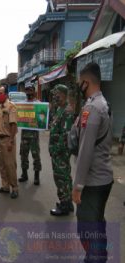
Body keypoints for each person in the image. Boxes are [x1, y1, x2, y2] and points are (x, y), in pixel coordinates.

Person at [71, 63, 113, 262]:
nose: (79, 85)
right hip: (103, 177)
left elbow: (85, 150)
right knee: (96, 224)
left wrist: (78, 185)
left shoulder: (92, 108)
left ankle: (96, 258)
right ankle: (98, 257)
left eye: (80, 82)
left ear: (85, 82)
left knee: (88, 229)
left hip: (93, 181)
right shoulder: (102, 103)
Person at [48, 84, 74, 216]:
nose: (54, 96)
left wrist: (54, 150)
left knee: (61, 177)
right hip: (58, 151)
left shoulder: (67, 111)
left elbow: (65, 136)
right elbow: (53, 127)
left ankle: (64, 205)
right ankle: (68, 202)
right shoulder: (59, 109)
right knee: (65, 177)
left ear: (63, 95)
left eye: (56, 94)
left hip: (60, 152)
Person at [0, 86, 18, 199]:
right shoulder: (0, 108)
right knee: (2, 165)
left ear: (6, 94)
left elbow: (13, 125)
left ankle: (15, 188)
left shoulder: (11, 107)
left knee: (10, 165)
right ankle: (5, 186)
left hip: (8, 139)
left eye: (1, 93)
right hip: (1, 140)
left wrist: (11, 141)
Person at [18, 85, 42, 185]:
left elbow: (42, 116)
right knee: (23, 155)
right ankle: (24, 174)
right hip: (24, 135)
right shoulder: (22, 105)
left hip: (34, 136)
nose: (29, 93)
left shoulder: (39, 104)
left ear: (34, 91)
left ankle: (36, 177)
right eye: (27, 90)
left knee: (36, 156)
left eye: (30, 90)